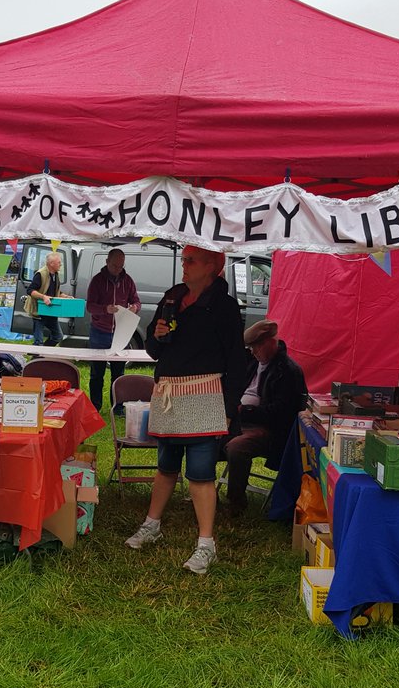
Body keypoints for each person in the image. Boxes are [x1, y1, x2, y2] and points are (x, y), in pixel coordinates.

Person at [124, 244, 246, 574]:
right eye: (184, 259)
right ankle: (152, 525)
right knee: (165, 465)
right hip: (169, 392)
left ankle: (206, 544)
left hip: (205, 393)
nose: (184, 264)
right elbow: (152, 348)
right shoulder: (172, 297)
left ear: (212, 266)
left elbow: (237, 359)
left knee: (201, 474)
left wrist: (230, 404)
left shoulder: (224, 306)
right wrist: (159, 336)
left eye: (191, 260)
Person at [223, 320, 308, 516]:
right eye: (250, 347)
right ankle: (204, 492)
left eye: (256, 346)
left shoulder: (287, 371)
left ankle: (235, 504)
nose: (253, 351)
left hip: (269, 429)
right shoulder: (253, 363)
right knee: (209, 436)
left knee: (237, 448)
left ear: (271, 342)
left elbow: (282, 413)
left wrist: (246, 411)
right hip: (241, 420)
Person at [84, 247, 141, 411]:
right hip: (99, 331)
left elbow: (137, 301)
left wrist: (134, 308)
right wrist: (105, 309)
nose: (118, 269)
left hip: (120, 332)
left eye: (121, 266)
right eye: (115, 265)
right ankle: (95, 406)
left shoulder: (128, 280)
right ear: (107, 262)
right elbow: (90, 306)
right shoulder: (97, 281)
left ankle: (118, 407)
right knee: (97, 373)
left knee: (119, 373)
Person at [27, 252, 70, 347]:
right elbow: (30, 290)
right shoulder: (40, 274)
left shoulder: (56, 274)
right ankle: (36, 359)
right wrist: (43, 297)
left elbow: (55, 291)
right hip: (39, 312)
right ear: (51, 263)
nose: (61, 264)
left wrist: (65, 296)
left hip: (51, 311)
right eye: (59, 262)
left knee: (58, 336)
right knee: (39, 342)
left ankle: (43, 354)